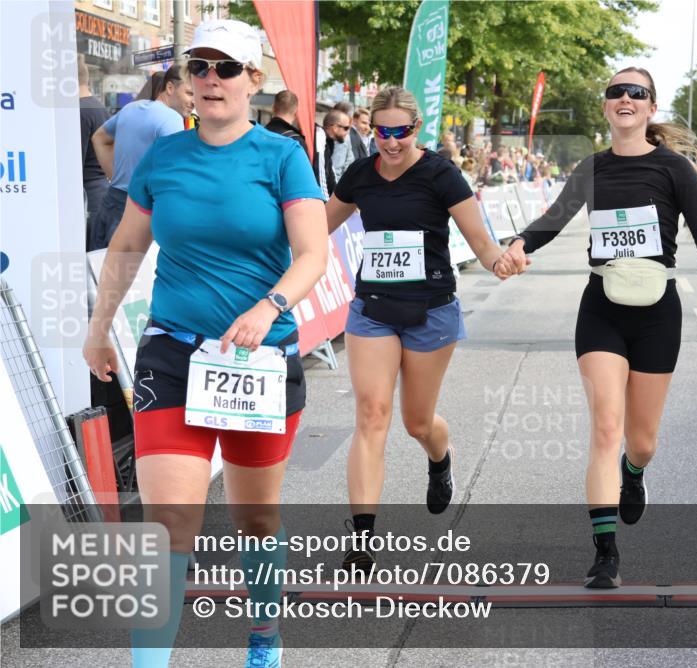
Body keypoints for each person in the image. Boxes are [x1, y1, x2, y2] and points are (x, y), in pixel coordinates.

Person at [82, 19, 328, 668]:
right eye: (200, 68)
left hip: (260, 359)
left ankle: (264, 638)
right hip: (173, 351)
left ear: (254, 80)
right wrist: (98, 326)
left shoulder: (281, 156)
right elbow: (128, 246)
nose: (211, 80)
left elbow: (313, 254)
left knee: (255, 520)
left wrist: (269, 305)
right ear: (186, 81)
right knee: (169, 522)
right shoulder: (166, 154)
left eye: (226, 68)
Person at [498, 67, 697, 589]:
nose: (626, 98)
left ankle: (634, 474)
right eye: (617, 92)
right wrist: (520, 242)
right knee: (606, 428)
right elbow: (555, 217)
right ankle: (604, 553)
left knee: (641, 441)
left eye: (637, 93)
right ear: (607, 106)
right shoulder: (591, 169)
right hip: (602, 308)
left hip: (658, 311)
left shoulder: (675, 169)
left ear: (651, 108)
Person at [324, 86, 510, 573]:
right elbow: (315, 227)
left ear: (416, 128)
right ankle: (361, 540)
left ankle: (440, 455)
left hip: (431, 309)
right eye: (381, 131)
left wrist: (501, 261)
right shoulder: (361, 174)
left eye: (400, 132)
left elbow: (481, 243)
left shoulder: (441, 174)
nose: (390, 141)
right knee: (371, 414)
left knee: (417, 422)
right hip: (373, 309)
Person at [90, 65, 193, 251]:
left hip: (111, 204)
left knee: (102, 275)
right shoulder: (172, 119)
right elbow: (176, 179)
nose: (194, 101)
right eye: (189, 93)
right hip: (140, 212)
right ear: (170, 88)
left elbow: (99, 137)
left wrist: (116, 177)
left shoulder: (131, 108)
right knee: (132, 277)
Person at [78, 55, 111, 249]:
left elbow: (74, 163)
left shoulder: (81, 111)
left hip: (87, 197)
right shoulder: (97, 107)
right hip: (99, 193)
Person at [313, 109, 351, 196]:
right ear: (334, 127)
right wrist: (325, 202)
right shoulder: (319, 136)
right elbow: (319, 171)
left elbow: (330, 172)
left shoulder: (329, 141)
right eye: (346, 128)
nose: (348, 132)